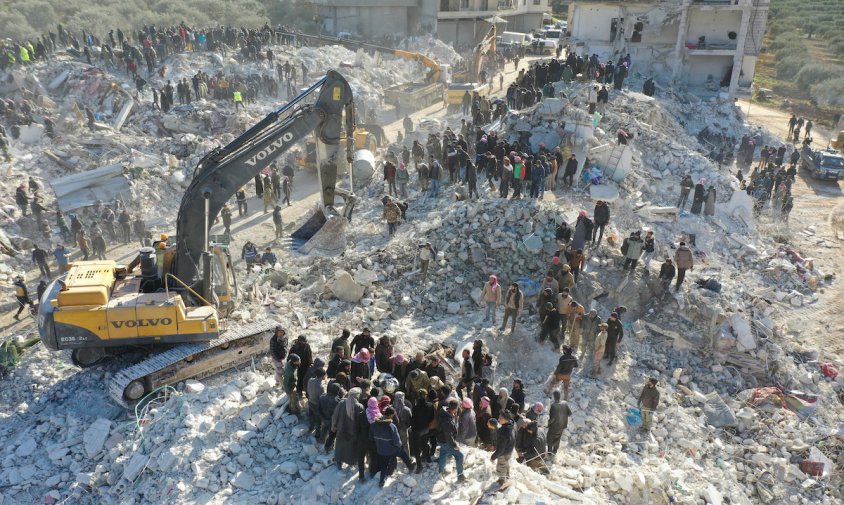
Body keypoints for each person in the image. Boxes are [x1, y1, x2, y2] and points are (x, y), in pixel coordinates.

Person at [372, 406, 415, 487]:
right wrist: (399, 446)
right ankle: (411, 467)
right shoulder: (391, 426)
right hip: (391, 449)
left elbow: (371, 437)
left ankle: (382, 481)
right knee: (403, 454)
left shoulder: (375, 424)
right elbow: (397, 442)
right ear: (391, 415)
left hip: (380, 449)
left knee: (384, 464)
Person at [332, 387, 365, 478]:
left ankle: (339, 464)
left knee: (339, 447)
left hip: (341, 431)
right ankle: (351, 463)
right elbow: (362, 422)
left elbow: (335, 415)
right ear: (356, 396)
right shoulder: (359, 406)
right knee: (351, 449)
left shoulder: (342, 403)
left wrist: (333, 426)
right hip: (353, 432)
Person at [437, 399, 466, 482]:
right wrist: (455, 445)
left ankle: (440, 471)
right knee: (459, 456)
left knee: (444, 453)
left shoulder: (445, 412)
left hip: (441, 439)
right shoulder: (447, 420)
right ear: (455, 408)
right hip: (445, 441)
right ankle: (460, 476)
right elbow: (448, 436)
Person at [490, 410, 516, 485]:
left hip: (504, 452)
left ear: (506, 420)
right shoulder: (512, 424)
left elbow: (500, 449)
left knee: (501, 466)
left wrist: (493, 457)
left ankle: (502, 480)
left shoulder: (503, 433)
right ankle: (507, 475)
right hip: (510, 449)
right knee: (506, 463)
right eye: (499, 417)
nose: (498, 419)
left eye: (501, 418)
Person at [546, 391, 571, 455]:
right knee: (557, 439)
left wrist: (548, 424)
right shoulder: (565, 403)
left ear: (554, 397)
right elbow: (569, 413)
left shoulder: (553, 405)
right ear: (560, 396)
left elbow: (553, 418)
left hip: (554, 426)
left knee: (550, 439)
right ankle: (554, 452)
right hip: (562, 426)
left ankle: (549, 453)